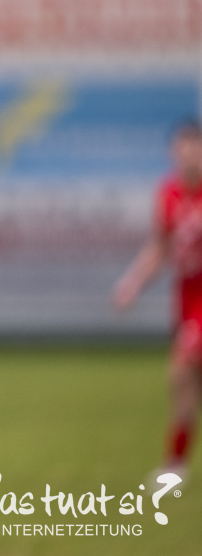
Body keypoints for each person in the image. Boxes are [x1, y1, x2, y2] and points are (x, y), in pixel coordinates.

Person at [113, 119, 202, 480]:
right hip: (186, 295)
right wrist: (132, 282)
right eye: (183, 147)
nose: (190, 154)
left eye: (196, 147)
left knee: (181, 370)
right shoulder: (168, 195)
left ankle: (174, 466)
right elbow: (160, 248)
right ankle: (177, 464)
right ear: (172, 152)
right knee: (184, 380)